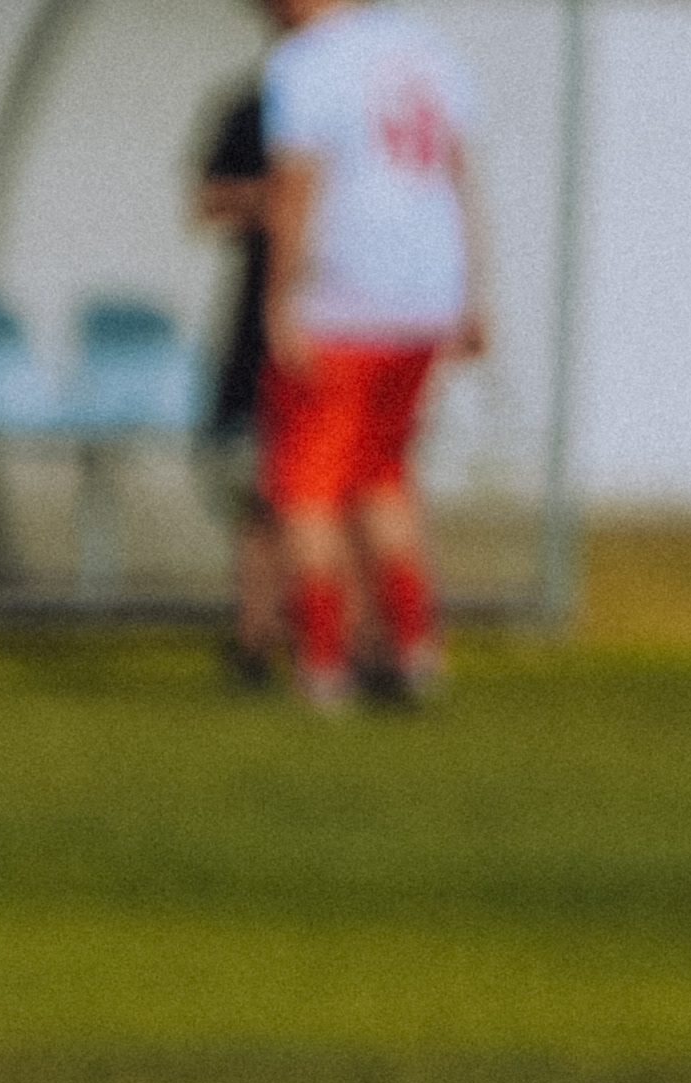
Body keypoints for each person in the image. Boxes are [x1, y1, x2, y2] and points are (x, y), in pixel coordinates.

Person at [258, 0, 486, 711]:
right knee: (383, 473)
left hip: (343, 298)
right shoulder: (428, 51)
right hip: (425, 298)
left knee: (309, 484)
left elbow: (297, 187)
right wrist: (472, 291)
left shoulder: (308, 62)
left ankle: (324, 661)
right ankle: (414, 647)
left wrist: (280, 298)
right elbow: (457, 175)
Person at [192, 78, 282, 689]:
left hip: (354, 328)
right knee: (257, 483)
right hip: (262, 325)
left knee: (348, 489)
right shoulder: (256, 107)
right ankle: (255, 641)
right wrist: (284, 199)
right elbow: (209, 203)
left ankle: (351, 646)